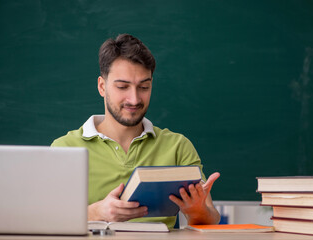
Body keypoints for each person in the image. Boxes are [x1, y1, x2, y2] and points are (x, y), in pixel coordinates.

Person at [51, 34, 220, 228]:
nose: (134, 99)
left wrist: (197, 211)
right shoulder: (65, 148)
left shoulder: (177, 146)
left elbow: (210, 219)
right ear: (101, 86)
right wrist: (98, 212)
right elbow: (47, 218)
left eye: (144, 87)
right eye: (123, 87)